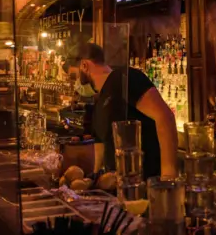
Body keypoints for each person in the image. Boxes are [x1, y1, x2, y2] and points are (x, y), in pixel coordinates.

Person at [68, 42, 178, 179]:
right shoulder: (99, 98)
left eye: (74, 76)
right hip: (118, 187)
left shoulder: (125, 78)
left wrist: (168, 176)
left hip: (143, 183)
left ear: (84, 66)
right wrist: (94, 180)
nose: (75, 83)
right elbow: (101, 144)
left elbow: (164, 116)